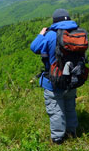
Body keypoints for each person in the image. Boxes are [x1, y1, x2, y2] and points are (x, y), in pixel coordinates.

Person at [30, 8, 79, 145]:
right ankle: (72, 132)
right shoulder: (76, 33)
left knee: (56, 109)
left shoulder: (50, 35)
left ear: (54, 21)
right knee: (70, 106)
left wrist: (41, 34)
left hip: (53, 80)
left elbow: (34, 47)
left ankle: (58, 139)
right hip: (72, 79)